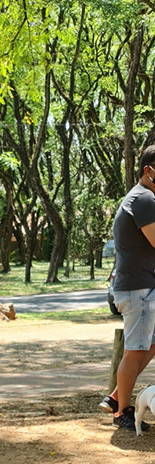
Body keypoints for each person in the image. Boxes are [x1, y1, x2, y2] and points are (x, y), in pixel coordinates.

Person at [101, 145, 155, 431]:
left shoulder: (143, 197)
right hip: (138, 289)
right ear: (148, 170)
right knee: (135, 350)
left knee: (150, 344)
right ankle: (122, 411)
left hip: (142, 286)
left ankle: (115, 396)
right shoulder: (144, 198)